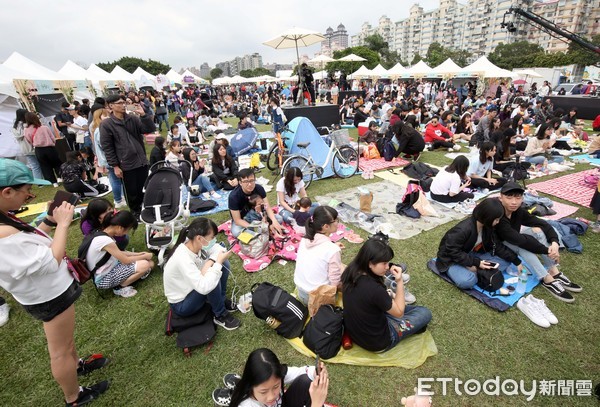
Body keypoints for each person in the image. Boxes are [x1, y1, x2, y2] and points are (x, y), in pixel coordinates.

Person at [0, 159, 110, 406]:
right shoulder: (3, 237)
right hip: (48, 296)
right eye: (26, 191)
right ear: (6, 192)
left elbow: (31, 242)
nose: (30, 195)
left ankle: (76, 365)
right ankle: (74, 396)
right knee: (59, 350)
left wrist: (49, 221)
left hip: (49, 290)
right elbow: (51, 260)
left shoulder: (4, 219)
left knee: (67, 340)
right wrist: (62, 224)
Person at [341, 237, 432, 352]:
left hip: (355, 331)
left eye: (388, 262)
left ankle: (410, 326)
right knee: (424, 312)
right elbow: (399, 313)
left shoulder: (350, 271)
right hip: (378, 341)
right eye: (384, 263)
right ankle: (407, 329)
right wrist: (399, 281)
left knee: (403, 308)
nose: (387, 267)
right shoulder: (375, 290)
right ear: (370, 263)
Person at [496, 183, 581, 303]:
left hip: (515, 238)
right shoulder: (497, 213)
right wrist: (547, 250)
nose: (514, 202)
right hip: (499, 243)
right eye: (509, 197)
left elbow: (544, 224)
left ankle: (552, 269)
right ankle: (546, 278)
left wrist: (555, 243)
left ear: (522, 198)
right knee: (523, 247)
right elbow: (519, 240)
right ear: (501, 197)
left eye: (518, 197)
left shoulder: (518, 211)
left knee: (538, 230)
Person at [163, 217, 240, 330]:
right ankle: (220, 315)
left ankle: (221, 300)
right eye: (212, 238)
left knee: (223, 264)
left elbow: (218, 248)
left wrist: (209, 262)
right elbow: (204, 287)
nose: (214, 240)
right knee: (212, 276)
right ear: (199, 238)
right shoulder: (182, 257)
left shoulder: (193, 243)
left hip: (193, 288)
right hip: (182, 304)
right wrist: (216, 262)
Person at [435, 198, 522, 289]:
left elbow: (496, 245)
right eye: (496, 219)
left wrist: (517, 261)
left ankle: (477, 271)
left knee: (505, 261)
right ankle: (478, 272)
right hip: (451, 260)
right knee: (467, 281)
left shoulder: (487, 227)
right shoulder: (462, 230)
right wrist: (475, 263)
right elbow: (452, 251)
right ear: (488, 217)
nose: (498, 222)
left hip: (472, 254)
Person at [100, 94, 155, 217]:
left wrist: (144, 115)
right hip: (125, 163)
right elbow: (107, 147)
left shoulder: (132, 118)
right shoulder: (107, 124)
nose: (123, 105)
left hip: (141, 160)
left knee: (144, 187)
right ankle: (135, 212)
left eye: (124, 102)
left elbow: (149, 129)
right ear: (111, 106)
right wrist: (115, 166)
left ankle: (146, 209)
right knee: (131, 191)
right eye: (119, 103)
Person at [215, 348, 328, 407]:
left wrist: (316, 372)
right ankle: (236, 392)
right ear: (251, 387)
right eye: (263, 391)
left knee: (305, 381)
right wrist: (316, 404)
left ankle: (239, 386)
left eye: (276, 386)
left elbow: (302, 371)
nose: (271, 397)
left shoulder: (277, 375)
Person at [86, 210, 153, 298]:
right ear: (120, 228)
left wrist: (138, 254)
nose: (126, 233)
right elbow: (125, 260)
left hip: (110, 267)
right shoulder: (105, 240)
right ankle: (119, 287)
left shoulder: (102, 234)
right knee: (145, 265)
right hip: (104, 278)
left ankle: (127, 279)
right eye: (127, 230)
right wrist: (143, 256)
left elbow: (119, 253)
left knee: (150, 263)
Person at [293, 206, 344, 305]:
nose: (338, 223)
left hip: (301, 292)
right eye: (336, 220)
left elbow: (319, 253)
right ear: (326, 226)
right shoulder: (332, 250)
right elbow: (335, 283)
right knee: (345, 271)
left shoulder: (304, 240)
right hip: (317, 299)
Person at [228, 168, 283, 238]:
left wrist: (274, 221)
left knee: (279, 219)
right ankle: (263, 232)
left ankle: (259, 233)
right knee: (236, 232)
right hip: (243, 220)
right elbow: (237, 220)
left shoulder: (259, 188)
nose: (250, 184)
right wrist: (258, 226)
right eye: (246, 182)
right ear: (240, 182)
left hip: (258, 216)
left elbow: (268, 207)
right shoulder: (233, 196)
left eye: (252, 180)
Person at [23, 112, 62, 187]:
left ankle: (53, 182)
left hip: (39, 150)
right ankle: (60, 177)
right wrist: (52, 143)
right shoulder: (44, 127)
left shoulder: (26, 130)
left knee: (45, 166)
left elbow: (29, 140)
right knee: (56, 163)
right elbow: (52, 138)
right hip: (50, 148)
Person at [11, 108, 43, 179]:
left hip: (24, 148)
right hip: (33, 145)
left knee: (34, 165)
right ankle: (43, 178)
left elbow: (18, 137)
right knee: (40, 163)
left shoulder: (15, 126)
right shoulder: (26, 125)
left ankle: (39, 180)